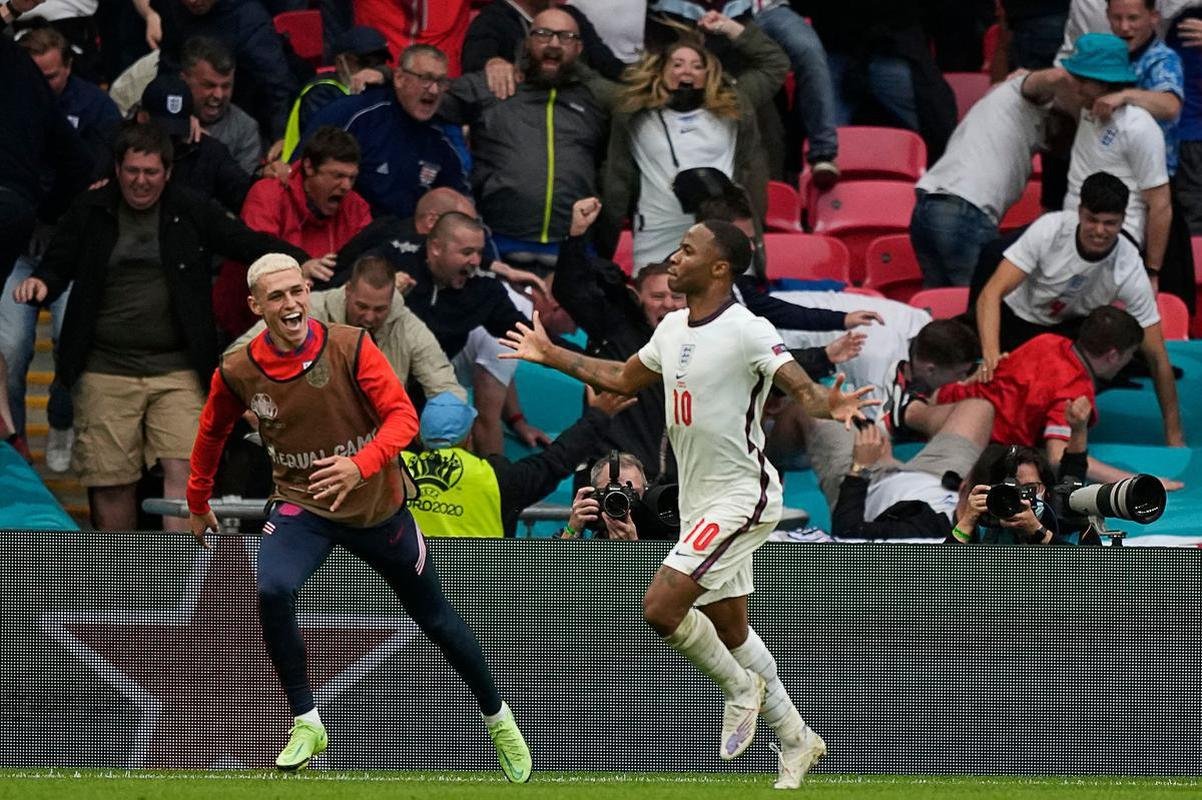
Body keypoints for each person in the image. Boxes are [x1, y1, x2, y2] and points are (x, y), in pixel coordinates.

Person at [501, 219, 878, 788]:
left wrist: (829, 403)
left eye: (686, 251)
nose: (673, 259)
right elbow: (622, 378)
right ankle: (797, 738)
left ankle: (738, 688)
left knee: (660, 608)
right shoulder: (674, 326)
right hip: (699, 501)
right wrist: (548, 352)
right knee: (732, 630)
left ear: (719, 268)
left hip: (741, 496)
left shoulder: (748, 329)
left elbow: (798, 386)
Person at [185, 253, 532, 779]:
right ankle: (306, 720)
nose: (291, 304)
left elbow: (402, 417)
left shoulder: (350, 346)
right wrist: (197, 499)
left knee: (434, 617)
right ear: (255, 306)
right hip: (303, 504)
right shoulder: (237, 369)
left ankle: (499, 719)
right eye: (276, 297)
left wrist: (358, 465)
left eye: (297, 291)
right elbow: (212, 431)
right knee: (273, 589)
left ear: (309, 292)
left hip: (377, 507)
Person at [12, 122, 309, 531]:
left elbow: (243, 241)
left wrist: (296, 261)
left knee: (187, 474)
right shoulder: (90, 208)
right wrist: (41, 282)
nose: (140, 181)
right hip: (103, 369)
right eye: (132, 171)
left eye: (151, 172)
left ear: (167, 173)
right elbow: (59, 261)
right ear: (118, 169)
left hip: (178, 369)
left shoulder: (190, 208)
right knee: (111, 481)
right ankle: (120, 581)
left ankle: (175, 584)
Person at [974, 171, 1183, 447]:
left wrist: (1174, 433)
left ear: (1123, 221)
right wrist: (991, 355)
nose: (1099, 230)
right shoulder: (1049, 229)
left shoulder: (1129, 264)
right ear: (1080, 212)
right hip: (1017, 322)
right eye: (1092, 220)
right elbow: (989, 295)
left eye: (1110, 223)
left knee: (1136, 355)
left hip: (1069, 330)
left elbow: (1157, 356)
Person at [904, 306, 1183, 488]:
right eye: (1128, 355)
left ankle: (907, 407)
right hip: (963, 433)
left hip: (946, 398)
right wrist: (1134, 482)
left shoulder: (1047, 341)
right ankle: (905, 412)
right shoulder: (1073, 387)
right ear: (1113, 355)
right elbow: (1059, 458)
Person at [600, 11, 788, 268]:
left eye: (697, 65)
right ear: (661, 70)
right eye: (676, 64)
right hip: (658, 234)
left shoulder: (733, 105)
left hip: (722, 233)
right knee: (661, 303)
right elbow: (587, 77)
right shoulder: (633, 110)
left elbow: (775, 63)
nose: (686, 71)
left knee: (724, 305)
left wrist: (730, 27)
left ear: (709, 73)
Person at [439, 6, 616, 264]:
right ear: (527, 42)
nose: (554, 44)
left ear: (579, 49)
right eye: (543, 34)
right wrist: (382, 74)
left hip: (571, 243)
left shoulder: (595, 99)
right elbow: (428, 95)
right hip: (497, 239)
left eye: (566, 37)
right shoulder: (495, 84)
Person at [231, 254, 464, 403]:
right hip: (304, 427)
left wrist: (447, 422)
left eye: (379, 309)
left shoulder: (406, 325)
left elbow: (445, 387)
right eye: (362, 306)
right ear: (348, 290)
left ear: (392, 298)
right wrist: (256, 402)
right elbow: (235, 358)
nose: (369, 317)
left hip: (379, 435)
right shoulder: (310, 310)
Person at [404, 388, 635, 537]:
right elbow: (555, 461)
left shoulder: (394, 471)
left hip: (402, 599)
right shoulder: (495, 477)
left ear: (418, 434)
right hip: (479, 599)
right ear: (468, 437)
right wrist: (598, 415)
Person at [214, 126, 372, 338]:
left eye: (351, 178)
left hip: (319, 332)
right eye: (337, 175)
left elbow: (365, 270)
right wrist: (298, 270)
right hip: (244, 329)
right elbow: (258, 258)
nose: (345, 186)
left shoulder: (356, 209)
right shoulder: (269, 194)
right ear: (308, 167)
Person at [909, 70, 1054, 286]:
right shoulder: (1020, 94)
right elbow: (1058, 78)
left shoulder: (998, 105)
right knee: (980, 304)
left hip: (928, 206)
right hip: (964, 209)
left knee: (941, 306)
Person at [300, 44, 471, 220]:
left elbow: (461, 205)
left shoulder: (439, 139)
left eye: (441, 81)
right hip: (343, 233)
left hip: (407, 239)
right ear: (399, 78)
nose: (434, 90)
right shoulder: (354, 115)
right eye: (425, 78)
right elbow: (300, 175)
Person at [805, 399, 996, 540]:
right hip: (943, 478)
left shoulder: (920, 533)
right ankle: (903, 414)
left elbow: (848, 533)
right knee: (978, 408)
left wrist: (861, 466)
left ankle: (779, 456)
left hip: (868, 485)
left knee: (814, 407)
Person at [134, 73, 253, 215]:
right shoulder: (119, 147)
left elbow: (247, 196)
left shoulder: (208, 152)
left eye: (176, 131)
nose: (169, 139)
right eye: (162, 130)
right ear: (142, 118)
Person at [280, 24, 391, 162]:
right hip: (304, 170)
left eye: (379, 64)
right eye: (364, 63)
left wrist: (385, 74)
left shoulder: (379, 85)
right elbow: (332, 146)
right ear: (340, 62)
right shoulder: (322, 92)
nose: (371, 71)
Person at [462, 0, 625, 81]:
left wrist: (644, 77)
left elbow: (606, 63)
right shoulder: (492, 19)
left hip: (576, 107)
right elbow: (476, 62)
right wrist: (493, 63)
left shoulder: (570, 15)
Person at [179, 36, 263, 176]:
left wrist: (209, 148)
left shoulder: (245, 130)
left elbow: (242, 191)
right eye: (209, 85)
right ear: (184, 81)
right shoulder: (162, 112)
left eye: (226, 86)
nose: (218, 95)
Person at [561, 451, 678, 540]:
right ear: (593, 494)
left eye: (631, 493)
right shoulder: (582, 531)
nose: (620, 501)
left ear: (645, 493)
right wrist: (572, 532)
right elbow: (554, 570)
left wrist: (634, 551)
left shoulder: (664, 538)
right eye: (610, 494)